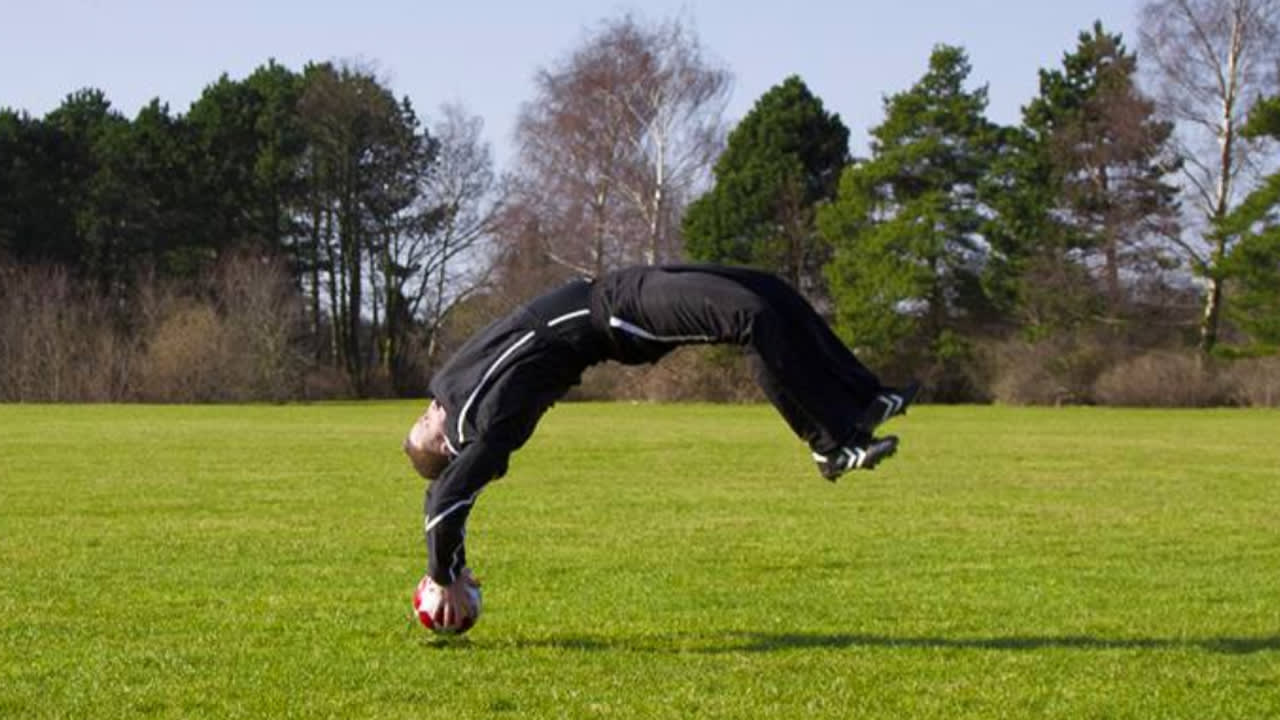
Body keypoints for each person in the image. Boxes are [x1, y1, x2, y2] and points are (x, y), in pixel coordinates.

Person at [403, 264, 919, 630]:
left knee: (771, 290)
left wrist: (456, 565)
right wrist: (441, 575)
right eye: (422, 428)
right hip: (615, 316)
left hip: (619, 283)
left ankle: (864, 399)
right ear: (447, 444)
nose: (425, 412)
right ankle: (827, 443)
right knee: (750, 317)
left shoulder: (451, 384)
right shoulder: (484, 423)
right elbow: (447, 500)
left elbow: (452, 504)